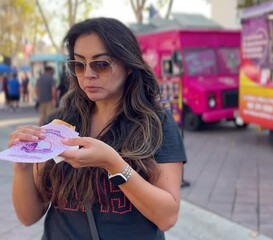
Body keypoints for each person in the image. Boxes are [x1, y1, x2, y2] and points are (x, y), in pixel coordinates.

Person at [9, 17, 186, 240]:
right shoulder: (60, 122)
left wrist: (114, 164)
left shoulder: (157, 123)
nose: (88, 74)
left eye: (101, 64)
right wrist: (22, 166)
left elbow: (167, 217)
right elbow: (28, 216)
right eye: (78, 64)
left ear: (128, 65)